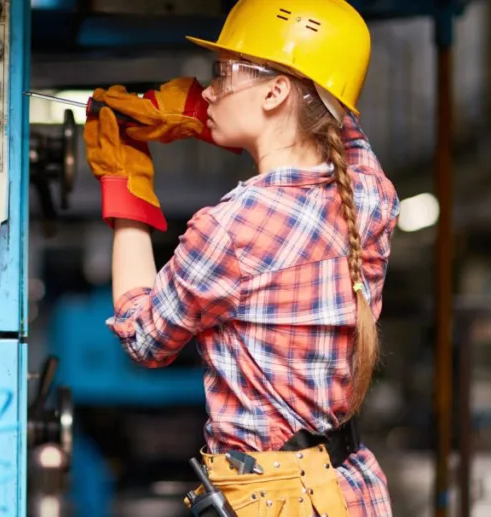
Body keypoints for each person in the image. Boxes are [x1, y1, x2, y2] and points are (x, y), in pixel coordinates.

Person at [81, 0, 400, 516]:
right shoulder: (369, 192)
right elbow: (335, 127)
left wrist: (126, 187)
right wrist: (207, 115)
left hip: (273, 500)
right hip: (348, 490)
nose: (206, 90)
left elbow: (145, 339)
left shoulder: (234, 226)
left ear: (276, 92)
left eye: (221, 74)